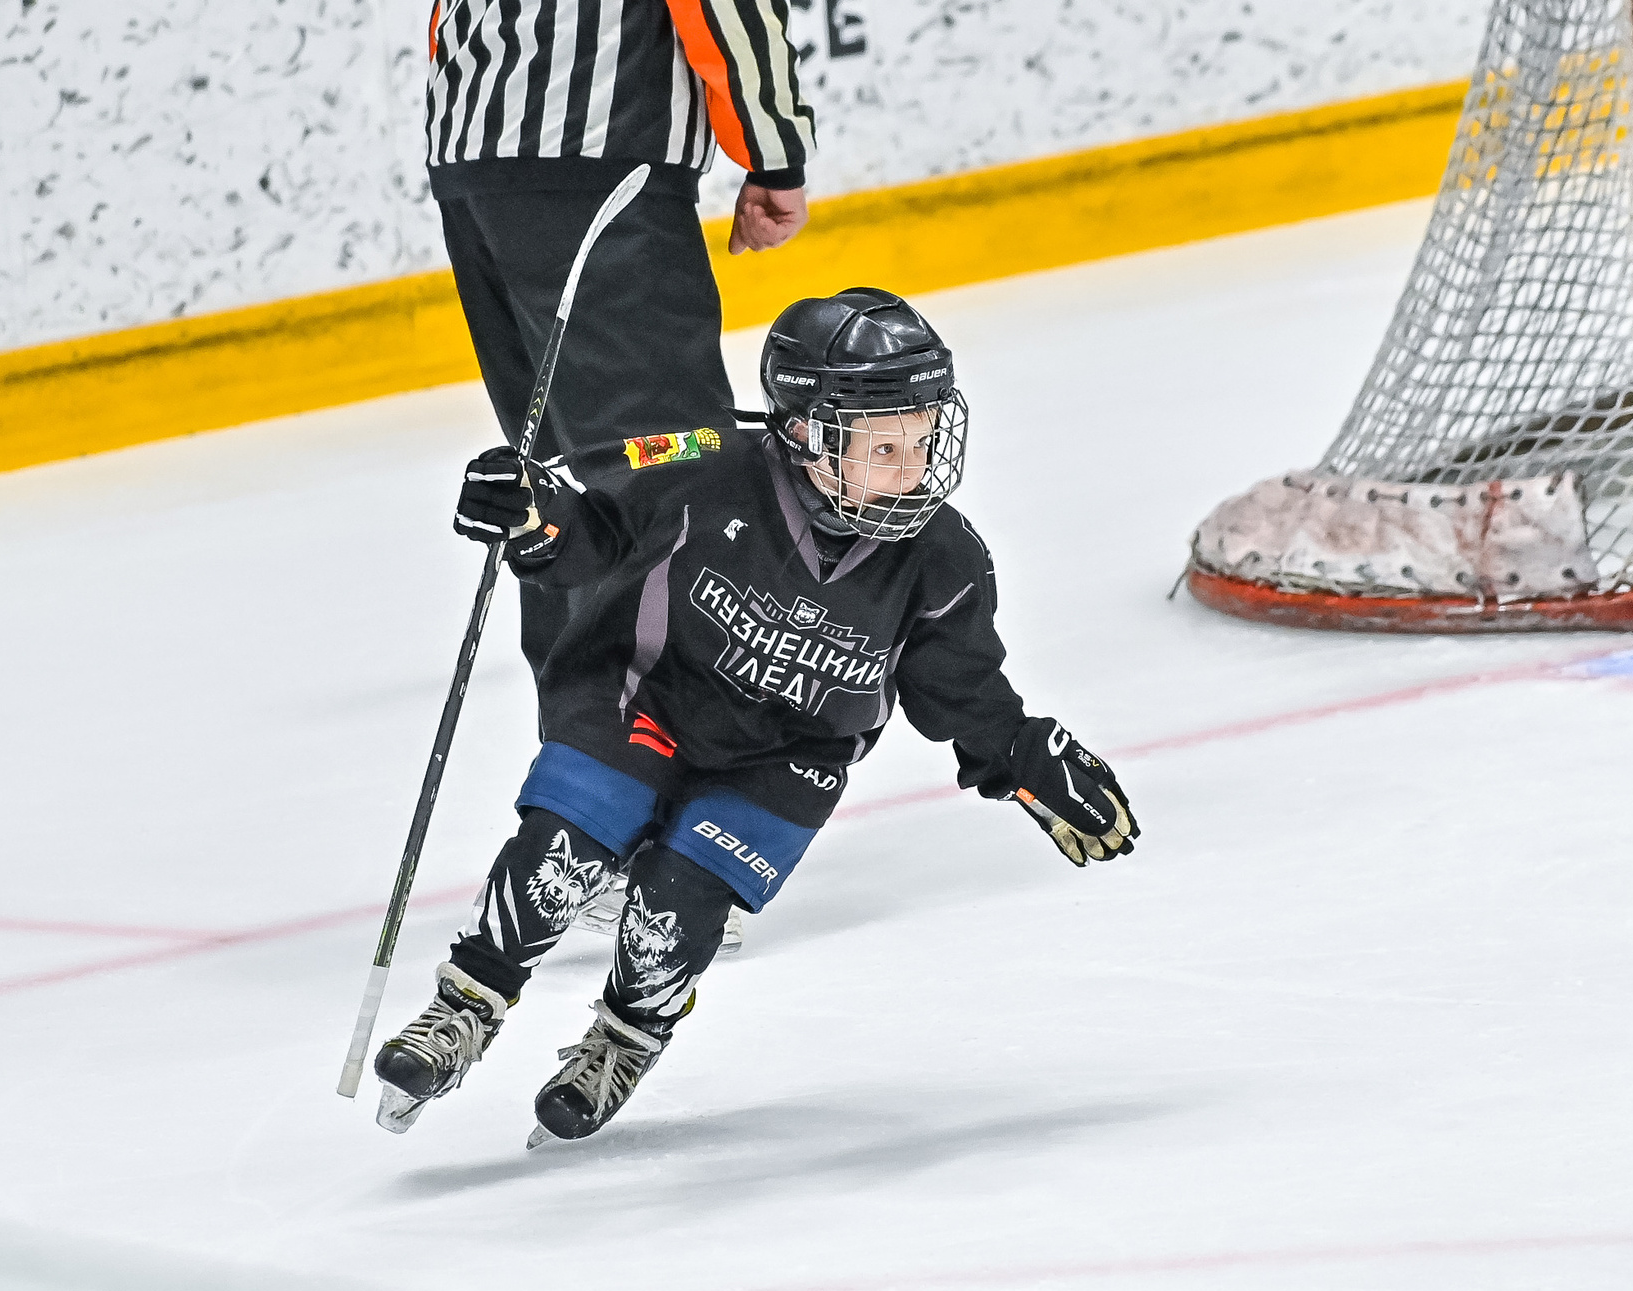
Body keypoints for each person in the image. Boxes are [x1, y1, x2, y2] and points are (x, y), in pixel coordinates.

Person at [374, 288, 1140, 1143]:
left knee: (678, 907)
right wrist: (533, 517)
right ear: (808, 432)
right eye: (884, 445)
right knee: (565, 845)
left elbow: (962, 695)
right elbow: (594, 531)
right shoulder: (705, 458)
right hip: (645, 696)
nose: (912, 465)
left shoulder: (943, 560)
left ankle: (626, 1038)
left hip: (788, 755)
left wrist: (1024, 757)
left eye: (923, 439)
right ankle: (465, 1005)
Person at [425, 0, 818, 955]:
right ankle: (641, 835)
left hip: (480, 148)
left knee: (569, 492)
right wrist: (774, 150)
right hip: (600, 161)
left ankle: (583, 817)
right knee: (672, 490)